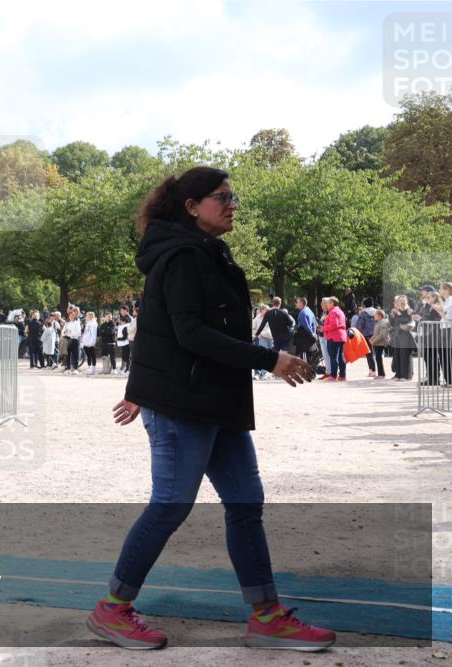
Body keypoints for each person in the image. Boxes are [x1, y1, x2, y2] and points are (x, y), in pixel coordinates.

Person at [88, 167, 333, 652]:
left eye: (232, 196)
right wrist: (272, 359)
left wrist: (140, 386)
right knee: (171, 506)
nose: (232, 204)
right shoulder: (183, 256)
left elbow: (159, 327)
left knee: (245, 504)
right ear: (192, 206)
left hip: (214, 402)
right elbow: (188, 333)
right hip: (184, 405)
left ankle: (266, 616)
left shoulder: (206, 252)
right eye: (222, 197)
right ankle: (112, 609)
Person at [321, 296, 347, 382]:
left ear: (332, 303)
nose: (326, 305)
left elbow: (334, 325)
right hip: (341, 336)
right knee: (340, 357)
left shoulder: (333, 312)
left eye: (328, 303)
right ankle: (342, 376)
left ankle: (333, 375)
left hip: (334, 336)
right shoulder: (340, 311)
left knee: (333, 357)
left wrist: (323, 328)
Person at [390, 294, 415, 381]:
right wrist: (392, 316)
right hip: (397, 335)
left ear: (405, 301)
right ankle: (399, 375)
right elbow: (392, 323)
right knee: (398, 355)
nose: (401, 302)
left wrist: (401, 318)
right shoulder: (396, 311)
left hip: (406, 335)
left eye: (403, 300)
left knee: (405, 355)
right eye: (399, 300)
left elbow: (410, 321)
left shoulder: (409, 310)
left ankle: (406, 375)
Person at [352, 298, 377, 376]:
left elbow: (360, 325)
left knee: (369, 353)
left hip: (367, 335)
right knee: (378, 354)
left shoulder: (363, 313)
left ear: (365, 304)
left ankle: (372, 371)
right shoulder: (376, 312)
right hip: (377, 334)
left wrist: (357, 333)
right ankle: (379, 372)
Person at [251, 304, 274, 379]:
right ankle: (258, 373)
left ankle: (265, 373)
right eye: (266, 310)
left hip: (270, 338)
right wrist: (256, 335)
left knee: (268, 357)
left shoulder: (270, 317)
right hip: (260, 338)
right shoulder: (257, 318)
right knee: (260, 356)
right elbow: (253, 328)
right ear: (262, 310)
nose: (267, 311)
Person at [369, 309, 391, 379]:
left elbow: (382, 335)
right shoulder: (378, 322)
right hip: (377, 343)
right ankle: (380, 374)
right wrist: (371, 339)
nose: (374, 316)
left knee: (378, 358)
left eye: (375, 315)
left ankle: (381, 374)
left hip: (380, 343)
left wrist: (373, 341)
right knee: (378, 358)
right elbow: (375, 333)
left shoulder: (383, 323)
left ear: (380, 316)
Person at [61, 310, 82, 374]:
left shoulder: (77, 323)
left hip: (74, 340)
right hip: (67, 340)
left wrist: (71, 332)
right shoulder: (67, 323)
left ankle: (75, 368)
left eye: (72, 315)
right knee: (67, 355)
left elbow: (78, 333)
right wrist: (65, 332)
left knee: (75, 355)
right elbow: (63, 332)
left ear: (74, 316)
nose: (71, 317)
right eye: (70, 316)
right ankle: (68, 368)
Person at [81, 311, 98, 376]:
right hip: (86, 341)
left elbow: (93, 334)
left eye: (87, 316)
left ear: (91, 316)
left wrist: (92, 342)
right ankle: (89, 366)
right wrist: (83, 341)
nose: (86, 317)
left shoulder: (93, 324)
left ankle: (93, 367)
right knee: (88, 355)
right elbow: (85, 333)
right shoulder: (88, 323)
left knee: (92, 355)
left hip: (90, 342)